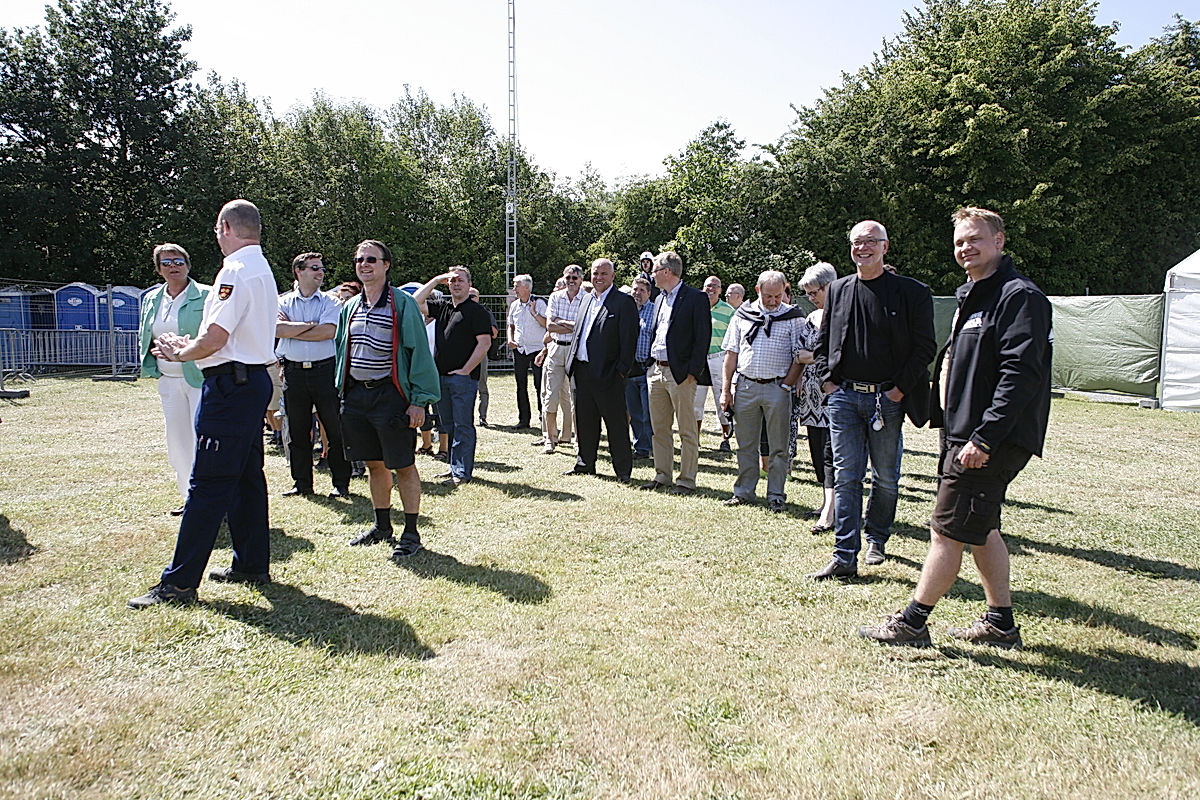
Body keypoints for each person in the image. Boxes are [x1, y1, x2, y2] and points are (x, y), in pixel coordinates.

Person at [859, 207, 1052, 648]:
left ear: (1000, 241)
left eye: (975, 239)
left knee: (945, 530)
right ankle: (1001, 623)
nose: (966, 247)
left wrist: (985, 437)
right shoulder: (975, 293)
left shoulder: (1018, 297)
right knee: (982, 529)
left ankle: (911, 622)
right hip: (964, 434)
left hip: (987, 440)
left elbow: (1021, 375)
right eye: (960, 241)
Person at [128, 199, 278, 608]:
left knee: (208, 484)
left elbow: (215, 338)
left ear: (225, 227)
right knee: (247, 478)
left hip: (230, 386)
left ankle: (178, 584)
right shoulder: (260, 268)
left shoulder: (235, 271)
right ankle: (250, 563)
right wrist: (191, 347)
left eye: (216, 230)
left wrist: (181, 352)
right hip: (249, 381)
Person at [809, 220, 936, 580]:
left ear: (885, 246)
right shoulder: (838, 290)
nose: (862, 248)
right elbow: (825, 344)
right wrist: (829, 383)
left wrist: (897, 390)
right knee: (846, 476)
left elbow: (924, 347)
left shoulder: (912, 292)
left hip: (888, 400)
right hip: (844, 398)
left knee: (886, 477)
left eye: (870, 242)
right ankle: (844, 555)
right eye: (856, 243)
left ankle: (876, 538)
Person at [336, 240, 440, 557]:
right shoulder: (350, 307)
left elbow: (419, 354)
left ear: (385, 265)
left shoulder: (402, 304)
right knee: (373, 463)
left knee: (404, 465)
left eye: (371, 259)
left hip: (390, 396)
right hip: (356, 396)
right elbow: (343, 350)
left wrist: (419, 400)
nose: (364, 264)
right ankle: (382, 527)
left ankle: (411, 534)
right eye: (359, 260)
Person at [719, 270, 806, 513]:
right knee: (746, 443)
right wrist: (727, 390)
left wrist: (788, 384)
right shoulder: (743, 315)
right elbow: (731, 354)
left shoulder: (793, 317)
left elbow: (799, 357)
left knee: (779, 446)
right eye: (769, 296)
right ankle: (744, 492)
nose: (774, 301)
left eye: (778, 296)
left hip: (778, 387)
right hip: (746, 385)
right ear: (758, 291)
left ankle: (776, 494)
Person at [138, 243, 210, 515]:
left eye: (178, 261)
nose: (173, 267)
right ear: (158, 268)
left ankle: (210, 500)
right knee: (177, 441)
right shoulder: (152, 298)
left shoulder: (206, 295)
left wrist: (184, 347)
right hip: (168, 379)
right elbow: (148, 333)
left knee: (201, 439)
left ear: (188, 265)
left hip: (199, 378)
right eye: (166, 262)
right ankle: (189, 498)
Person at [275, 252, 350, 499]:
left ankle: (340, 483)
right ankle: (302, 484)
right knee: (298, 432)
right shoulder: (282, 303)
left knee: (335, 430)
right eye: (315, 268)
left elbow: (329, 332)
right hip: (294, 374)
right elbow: (276, 328)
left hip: (324, 372)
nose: (321, 272)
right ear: (299, 271)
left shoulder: (332, 301)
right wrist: (311, 325)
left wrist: (292, 329)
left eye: (321, 268)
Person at [639, 252, 711, 495]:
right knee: (659, 428)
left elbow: (702, 338)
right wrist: (651, 365)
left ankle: (687, 480)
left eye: (655, 271)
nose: (652, 276)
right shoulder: (659, 298)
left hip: (680, 375)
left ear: (667, 272)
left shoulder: (695, 298)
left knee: (687, 430)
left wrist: (692, 373)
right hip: (656, 370)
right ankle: (663, 475)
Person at [415, 267, 493, 487]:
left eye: (460, 280)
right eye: (452, 281)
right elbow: (414, 302)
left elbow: (484, 343)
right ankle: (454, 467)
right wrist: (436, 279)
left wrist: (466, 370)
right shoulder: (443, 307)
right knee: (447, 425)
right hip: (441, 377)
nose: (456, 284)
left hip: (463, 379)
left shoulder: (477, 311)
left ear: (469, 284)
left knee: (463, 426)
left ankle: (461, 472)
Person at [562, 258, 638, 481]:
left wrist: (620, 371)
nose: (599, 278)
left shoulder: (623, 302)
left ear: (613, 276)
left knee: (615, 424)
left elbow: (629, 340)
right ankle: (585, 463)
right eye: (595, 273)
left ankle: (623, 471)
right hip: (582, 371)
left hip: (609, 374)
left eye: (604, 274)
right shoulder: (586, 299)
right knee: (584, 421)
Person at [792, 262, 838, 533]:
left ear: (829, 286)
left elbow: (833, 355)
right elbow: (799, 353)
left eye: (813, 292)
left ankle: (832, 510)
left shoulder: (844, 314)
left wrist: (812, 357)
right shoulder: (811, 318)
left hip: (832, 395)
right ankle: (825, 503)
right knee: (817, 452)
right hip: (810, 396)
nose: (811, 298)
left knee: (832, 453)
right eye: (807, 293)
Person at [540, 265, 584, 453]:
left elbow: (585, 326)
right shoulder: (555, 297)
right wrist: (572, 326)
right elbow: (550, 326)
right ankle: (550, 439)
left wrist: (563, 323)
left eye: (575, 277)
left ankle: (577, 439)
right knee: (551, 396)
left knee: (577, 398)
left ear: (581, 279)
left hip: (576, 351)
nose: (571, 281)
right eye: (568, 277)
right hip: (557, 348)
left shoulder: (587, 298)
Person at [693, 275, 736, 450]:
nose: (710, 289)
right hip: (699, 360)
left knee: (722, 400)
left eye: (714, 286)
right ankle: (694, 439)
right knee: (696, 401)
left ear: (720, 290)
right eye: (707, 286)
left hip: (719, 358)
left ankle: (725, 439)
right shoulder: (696, 307)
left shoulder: (729, 311)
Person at [507, 274, 548, 430]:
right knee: (520, 385)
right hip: (520, 349)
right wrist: (510, 339)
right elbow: (510, 325)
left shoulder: (540, 303)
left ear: (527, 287)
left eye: (517, 285)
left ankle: (543, 417)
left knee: (540, 385)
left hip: (538, 350)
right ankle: (524, 419)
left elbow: (547, 325)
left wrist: (534, 313)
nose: (514, 289)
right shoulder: (514, 305)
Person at [626, 275, 656, 459]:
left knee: (648, 412)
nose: (637, 293)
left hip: (647, 367)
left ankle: (654, 447)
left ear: (649, 293)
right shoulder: (626, 310)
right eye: (635, 290)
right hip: (629, 369)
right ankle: (641, 448)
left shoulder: (654, 311)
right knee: (635, 411)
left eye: (641, 290)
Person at [467, 286, 498, 427]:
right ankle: (467, 417)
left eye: (474, 296)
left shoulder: (485, 312)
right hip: (464, 354)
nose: (472, 298)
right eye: (470, 296)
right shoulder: (460, 311)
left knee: (482, 385)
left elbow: (494, 332)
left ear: (478, 298)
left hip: (481, 353)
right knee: (464, 387)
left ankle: (482, 417)